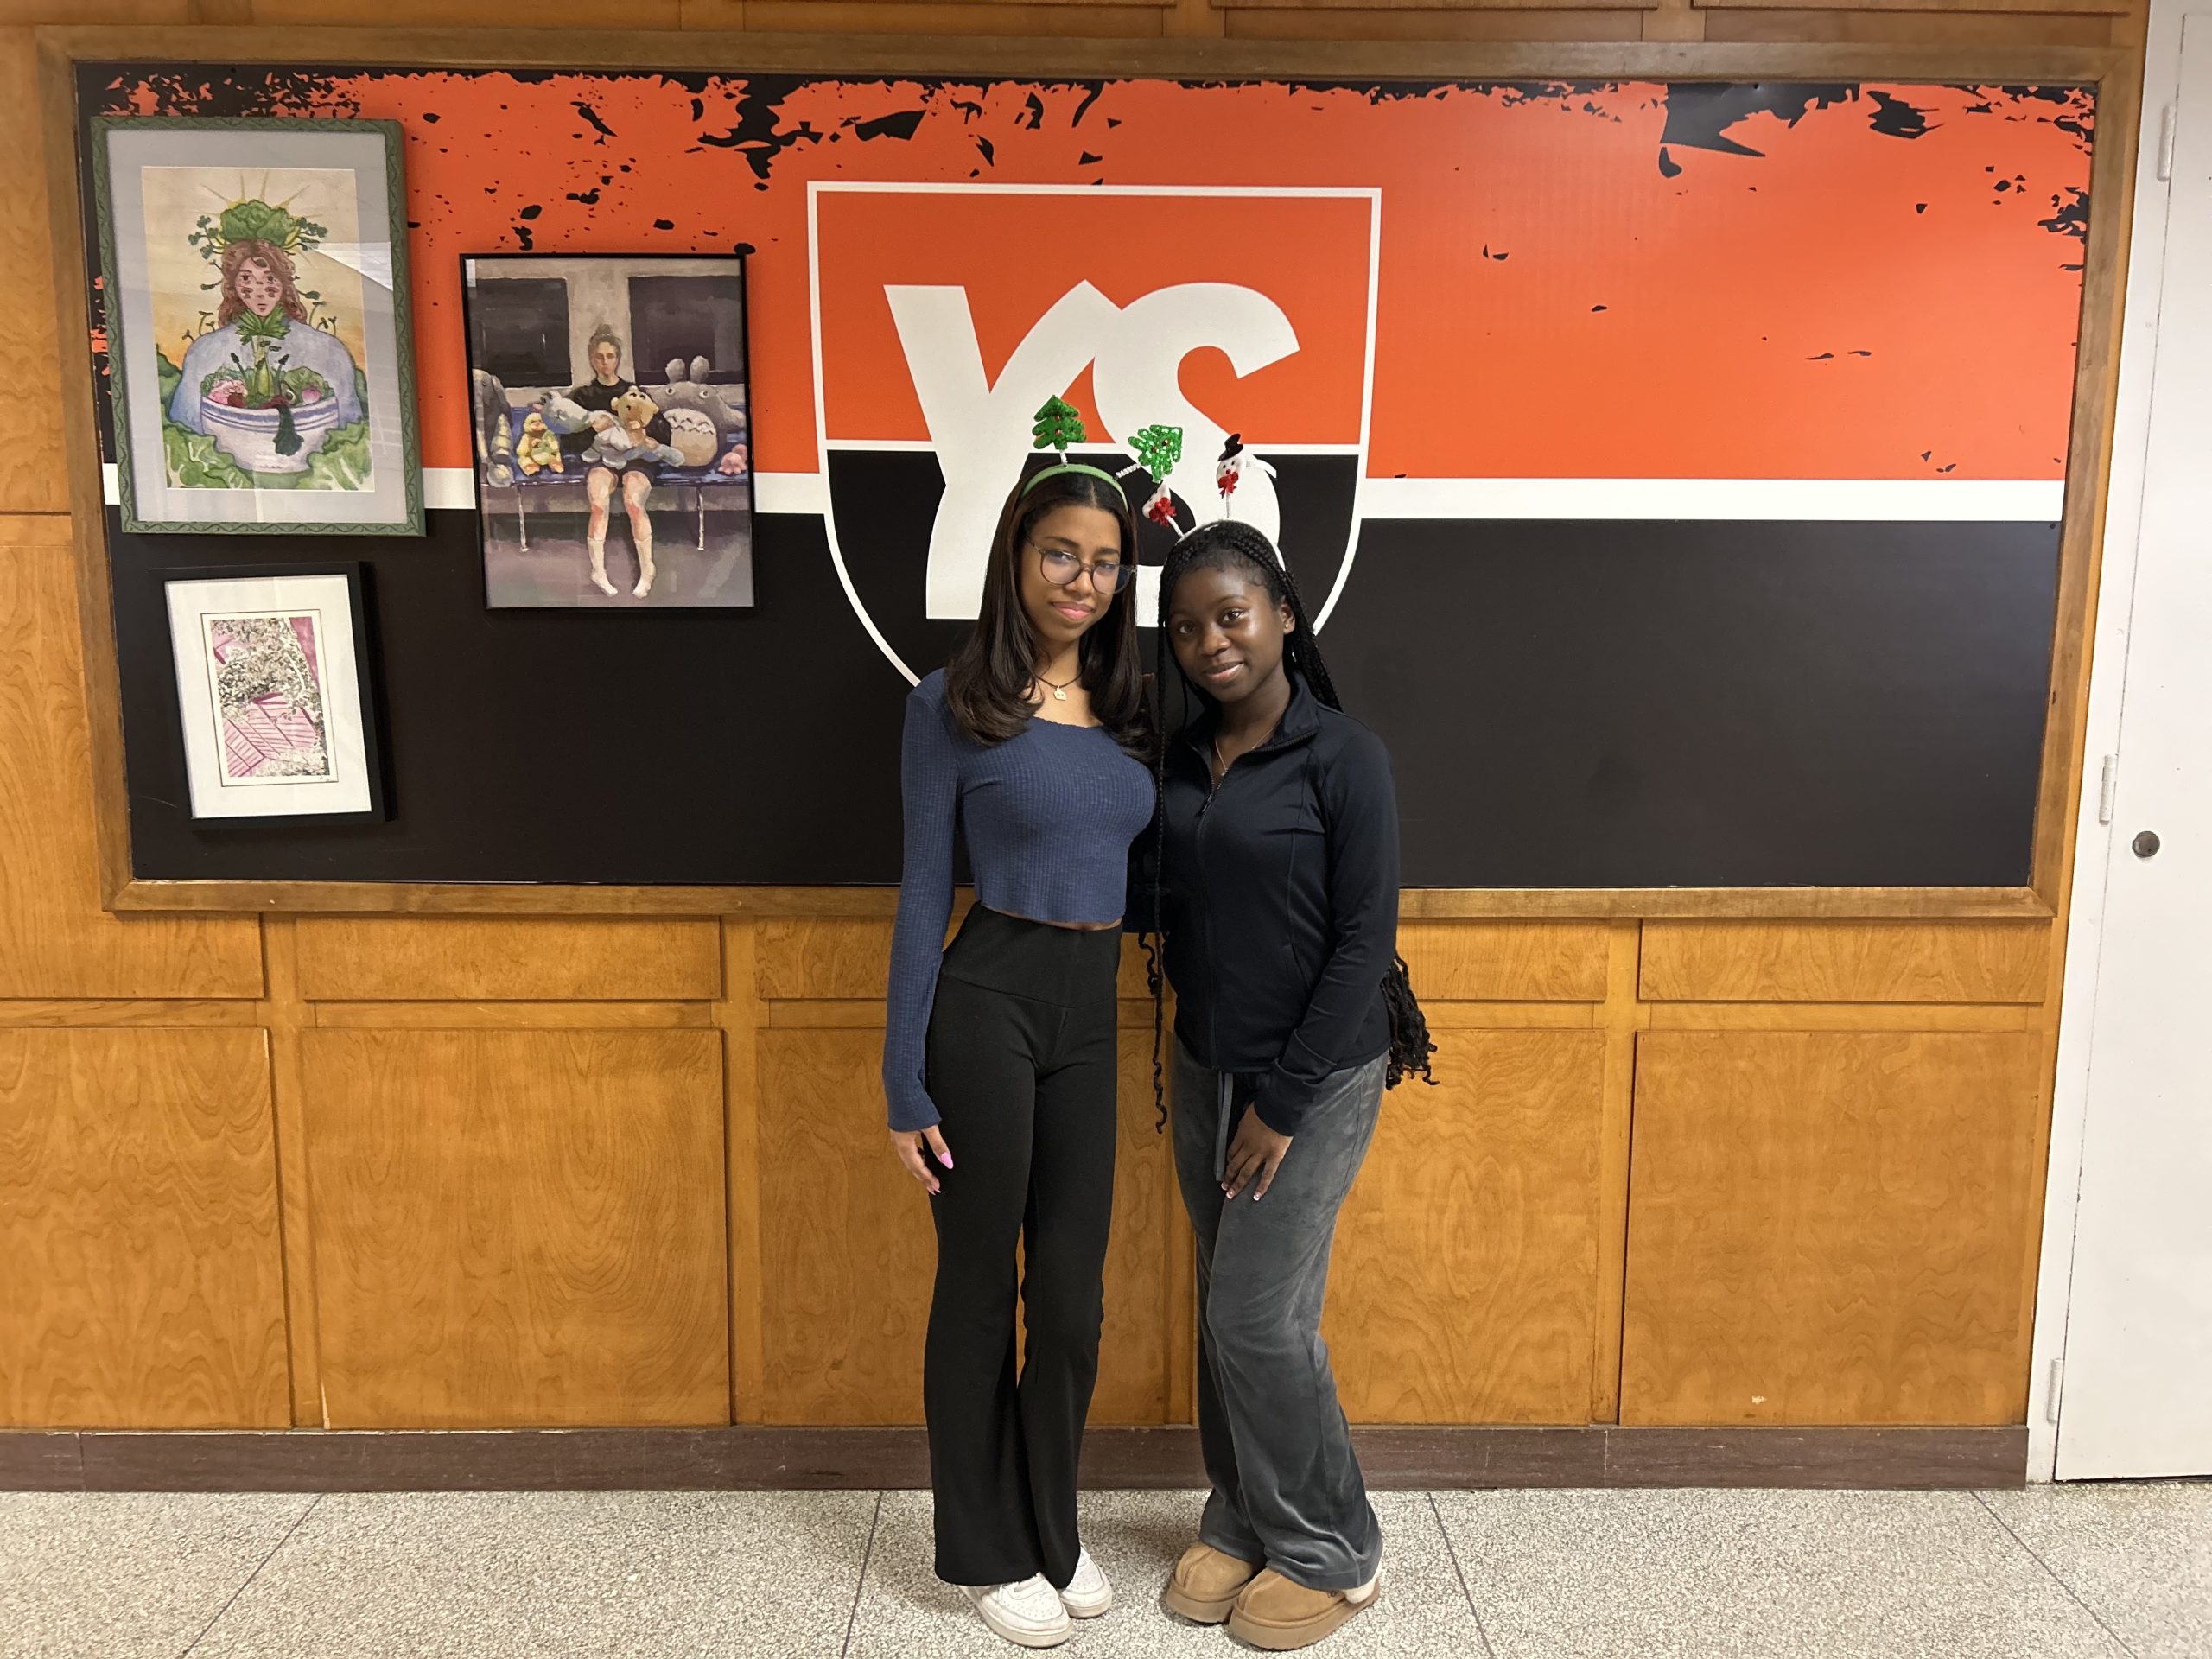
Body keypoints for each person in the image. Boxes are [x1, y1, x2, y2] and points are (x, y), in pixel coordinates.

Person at [1141, 518, 1435, 1653]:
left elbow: (1364, 942)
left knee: (1257, 1316)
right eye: (1185, 627)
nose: (1209, 641)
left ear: (1284, 616)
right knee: (1229, 1308)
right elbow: (1157, 898)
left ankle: (1334, 1547)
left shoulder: (1343, 756)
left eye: (1231, 615)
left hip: (1313, 1075)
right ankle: (1246, 1511)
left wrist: (1284, 1102)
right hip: (1204, 1059)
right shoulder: (1179, 760)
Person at [883, 461, 1156, 1650]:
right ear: (1017, 557)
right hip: (986, 996)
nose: (1082, 580)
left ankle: (1055, 1525)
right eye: (1061, 554)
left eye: (1103, 561)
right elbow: (920, 889)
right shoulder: (951, 700)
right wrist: (902, 1077)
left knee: (1076, 1298)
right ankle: (988, 1550)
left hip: (1093, 1012)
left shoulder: (1138, 711)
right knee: (982, 1283)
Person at [169, 236, 365, 439]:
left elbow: (350, 425)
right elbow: (186, 424)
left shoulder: (328, 349)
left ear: (284, 283)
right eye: (246, 279)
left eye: (269, 279)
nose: (259, 292)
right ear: (232, 287)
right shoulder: (205, 350)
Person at [561, 327, 673, 598]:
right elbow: (568, 439)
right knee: (598, 500)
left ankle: (647, 569)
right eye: (599, 357)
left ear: (618, 359)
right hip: (603, 457)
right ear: (591, 359)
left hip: (637, 457)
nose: (605, 362)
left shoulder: (634, 391)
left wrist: (643, 432)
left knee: (633, 500)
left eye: (610, 356)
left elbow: (663, 429)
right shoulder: (583, 396)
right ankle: (598, 570)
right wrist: (593, 431)